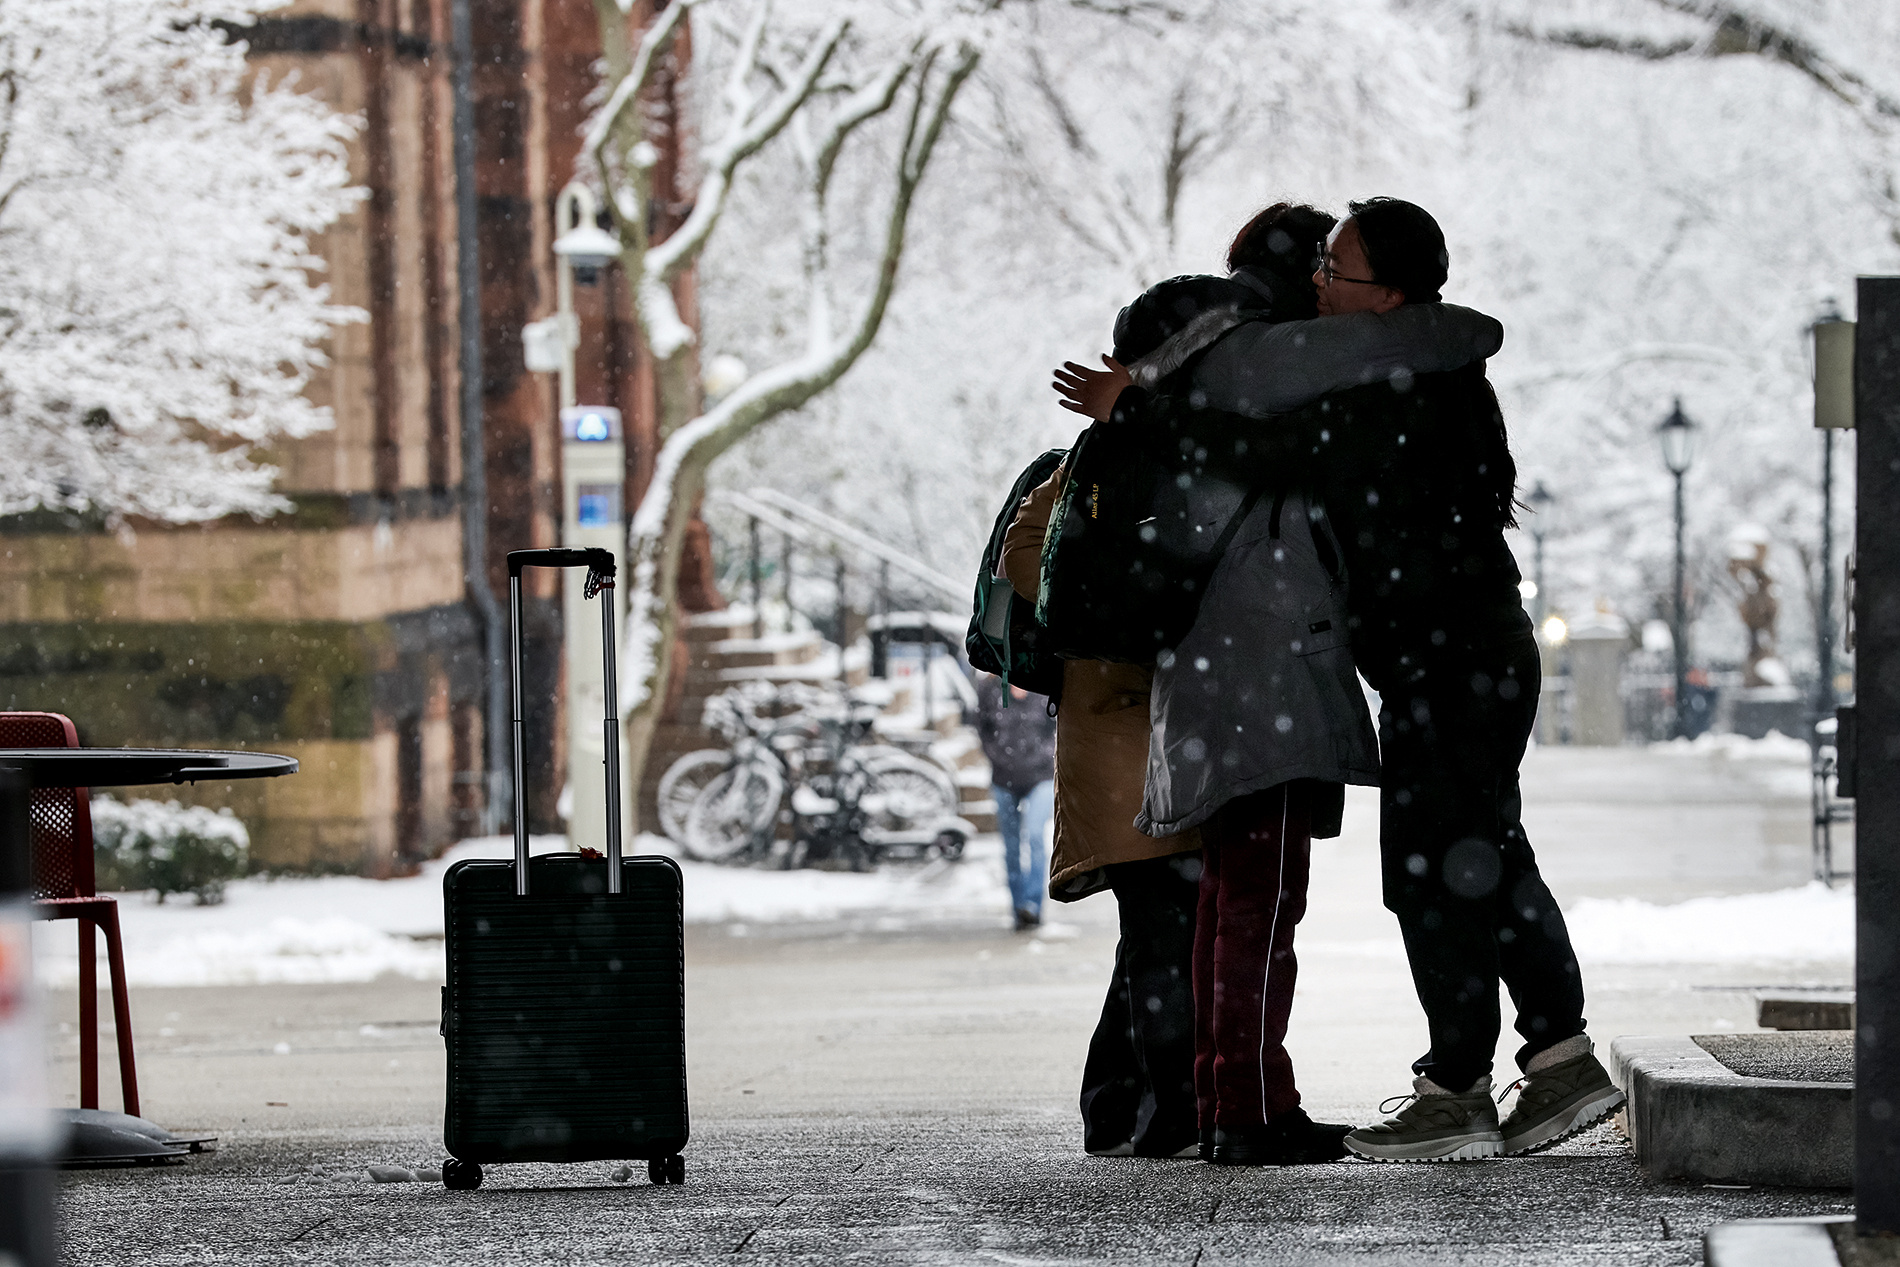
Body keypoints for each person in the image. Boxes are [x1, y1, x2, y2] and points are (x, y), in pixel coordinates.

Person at [1084, 198, 1619, 1162]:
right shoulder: (1413, 372)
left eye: (1337, 270)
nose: (1319, 283)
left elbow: (1267, 451)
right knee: (1480, 856)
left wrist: (1136, 407)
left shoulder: (1396, 390)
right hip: (1459, 658)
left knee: (1437, 871)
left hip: (1453, 663)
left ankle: (1472, 1085)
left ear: (1391, 295)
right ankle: (1548, 1059)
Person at [974, 674, 1056, 931]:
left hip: (1040, 776)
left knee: (1035, 835)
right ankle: (1018, 907)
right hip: (1003, 777)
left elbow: (1057, 727)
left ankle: (1033, 905)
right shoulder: (989, 688)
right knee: (1011, 847)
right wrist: (999, 757)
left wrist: (1041, 755)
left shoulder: (1043, 683)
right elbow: (982, 729)